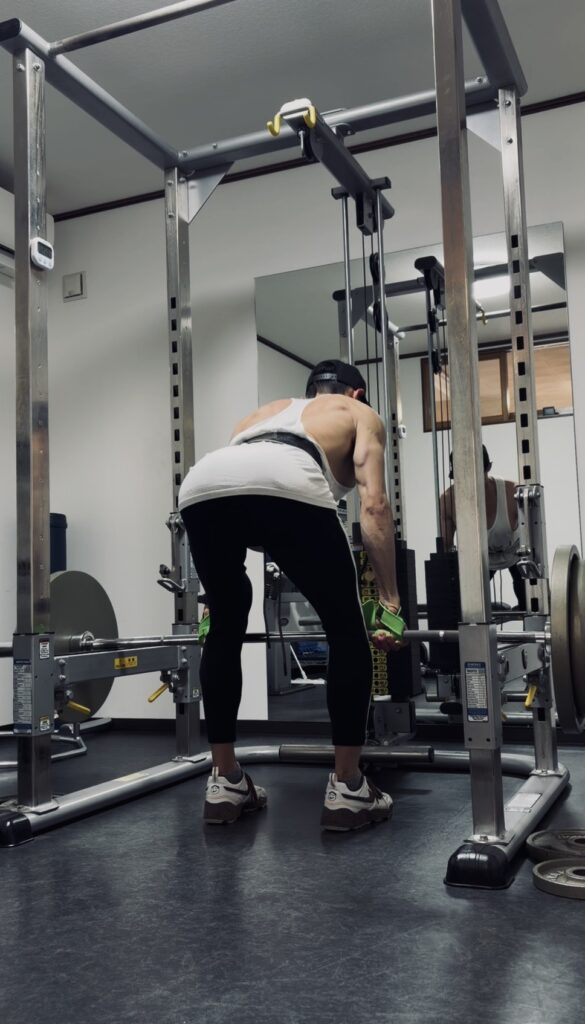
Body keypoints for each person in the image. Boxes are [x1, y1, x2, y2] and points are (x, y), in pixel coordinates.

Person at [178, 358, 404, 831]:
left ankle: (225, 780)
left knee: (225, 627)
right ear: (355, 394)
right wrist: (389, 601)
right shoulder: (358, 413)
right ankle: (348, 787)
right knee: (346, 629)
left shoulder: (261, 414)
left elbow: (242, 494)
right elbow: (374, 505)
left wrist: (213, 600)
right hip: (290, 483)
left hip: (202, 485)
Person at [439, 444, 526, 610]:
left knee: (531, 601)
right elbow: (446, 549)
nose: (470, 483)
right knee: (464, 606)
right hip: (480, 558)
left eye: (476, 475)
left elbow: (533, 538)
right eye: (463, 477)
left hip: (515, 553)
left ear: (488, 468)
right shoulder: (448, 500)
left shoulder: (512, 492)